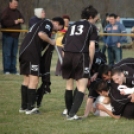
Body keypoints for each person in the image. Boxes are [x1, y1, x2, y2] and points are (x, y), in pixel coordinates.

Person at [19, 17, 64, 115]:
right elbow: (41, 34)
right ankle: (30, 108)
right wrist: (51, 41)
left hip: (24, 51)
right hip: (31, 53)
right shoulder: (47, 23)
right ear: (56, 23)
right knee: (34, 80)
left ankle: (24, 106)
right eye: (58, 28)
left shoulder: (39, 23)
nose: (56, 31)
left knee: (26, 80)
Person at [62, 5, 98, 120]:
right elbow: (91, 46)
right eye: (95, 18)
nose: (96, 20)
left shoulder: (72, 25)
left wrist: (65, 58)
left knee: (69, 86)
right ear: (91, 17)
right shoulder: (91, 27)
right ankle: (72, 115)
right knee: (82, 86)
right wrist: (90, 62)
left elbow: (64, 44)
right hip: (80, 56)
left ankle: (69, 112)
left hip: (67, 55)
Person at [0, 0, 24, 74]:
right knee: (7, 53)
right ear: (10, 3)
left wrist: (22, 20)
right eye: (14, 4)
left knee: (14, 53)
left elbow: (22, 18)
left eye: (17, 4)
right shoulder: (6, 11)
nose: (16, 5)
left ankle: (13, 69)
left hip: (16, 36)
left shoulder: (17, 11)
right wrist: (14, 22)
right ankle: (7, 69)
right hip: (8, 35)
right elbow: (3, 22)